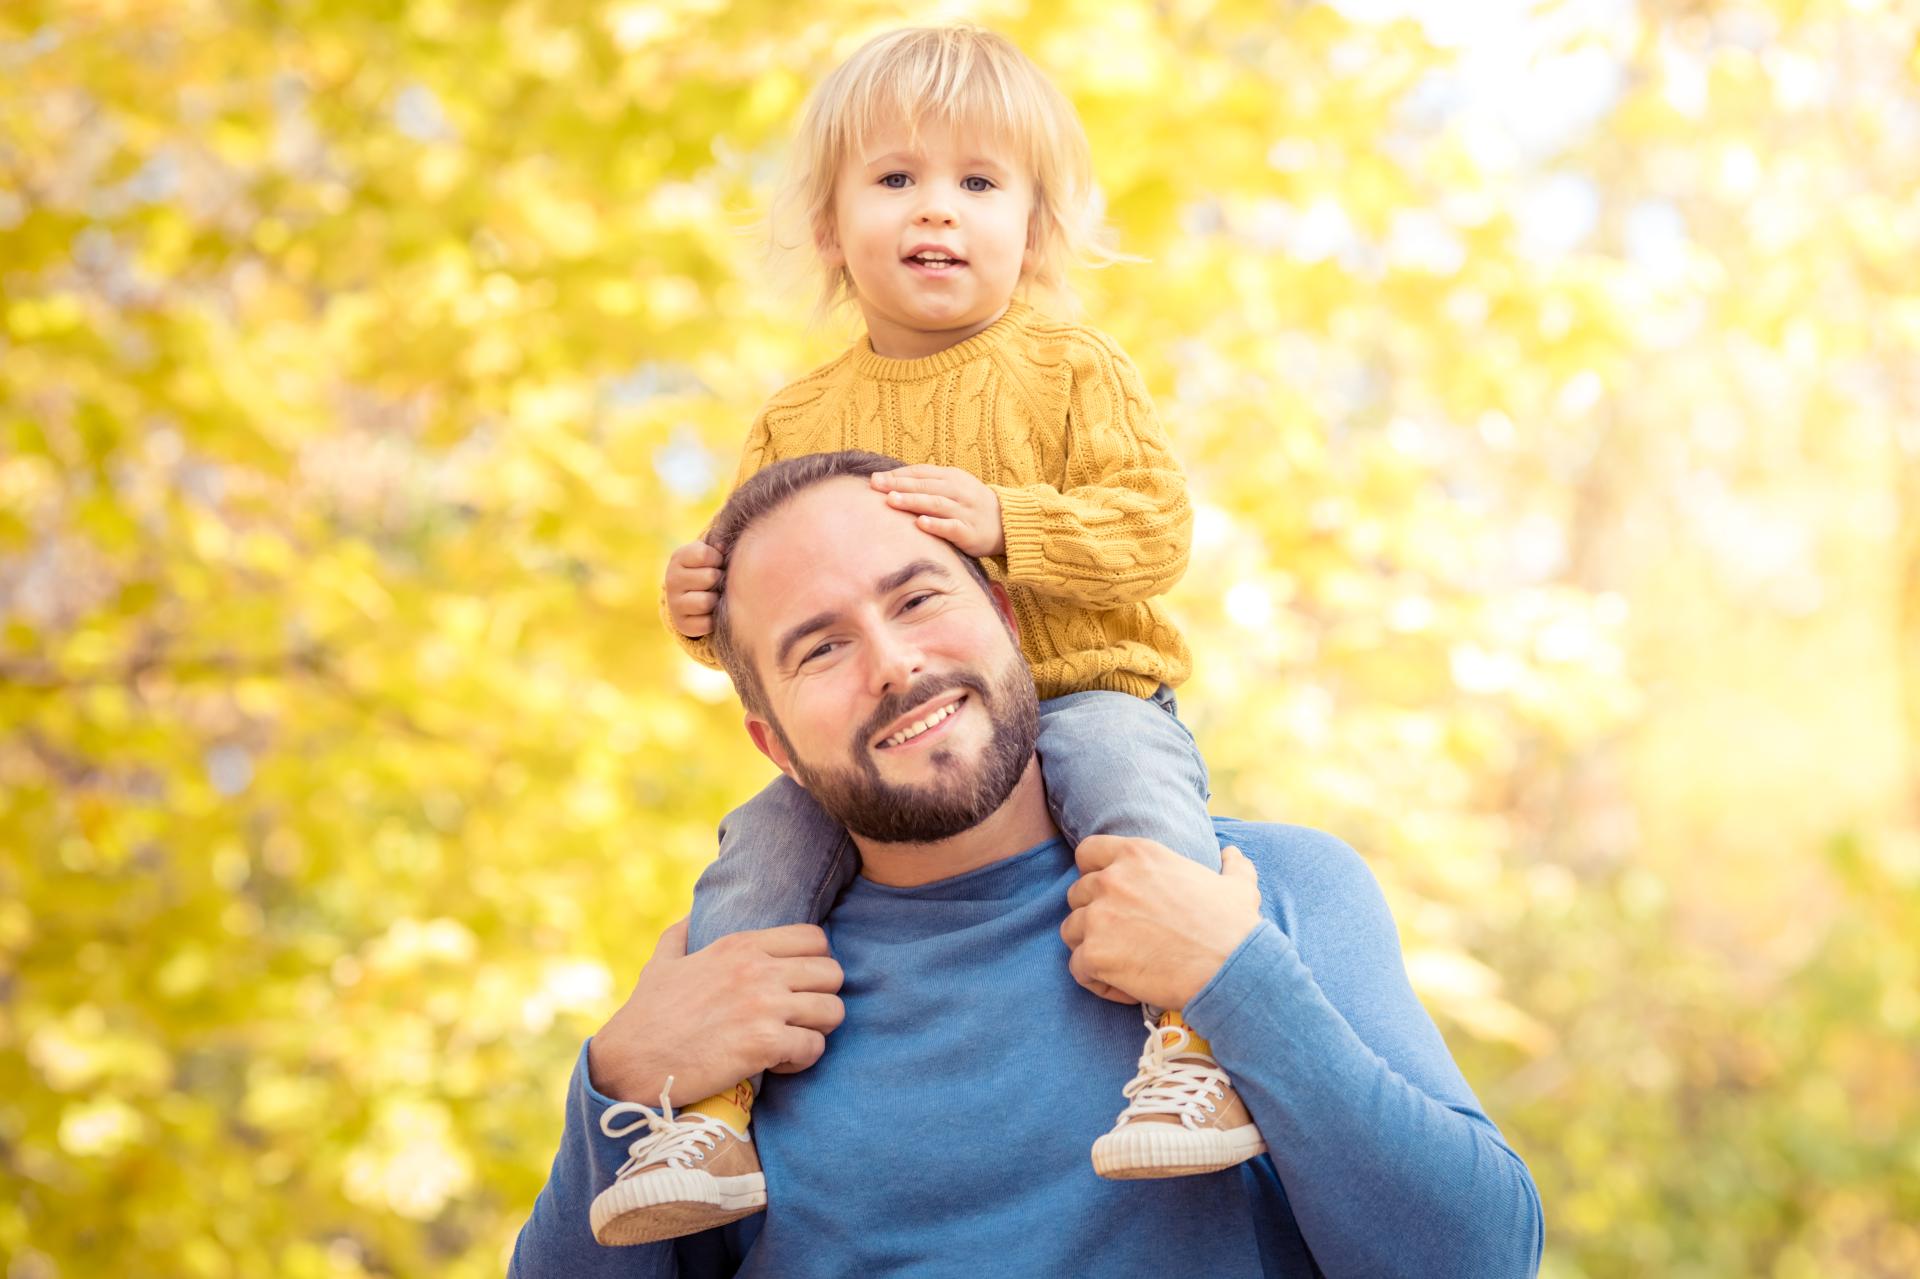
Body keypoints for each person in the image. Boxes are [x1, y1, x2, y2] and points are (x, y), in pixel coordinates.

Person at [510, 452, 1546, 1277]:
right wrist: (618, 1083)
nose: (893, 662)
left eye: (917, 600)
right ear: (773, 745)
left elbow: (1481, 1257)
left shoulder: (1270, 890)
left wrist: (1238, 978)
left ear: (1006, 622)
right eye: (818, 649)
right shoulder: (739, 996)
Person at [623, 23, 1246, 1244]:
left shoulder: (1070, 368)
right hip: (892, 751)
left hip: (1083, 686)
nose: (937, 212)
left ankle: (1195, 1043)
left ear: (1034, 226)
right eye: (895, 179)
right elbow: (774, 630)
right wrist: (701, 610)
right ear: (830, 228)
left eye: (978, 183)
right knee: (758, 845)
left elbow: (1155, 532)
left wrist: (1009, 522)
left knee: (1127, 782)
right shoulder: (798, 417)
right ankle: (706, 1107)